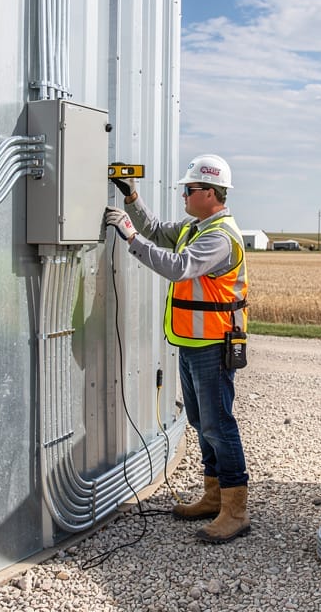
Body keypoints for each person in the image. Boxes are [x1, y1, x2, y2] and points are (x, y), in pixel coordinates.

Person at [102, 154, 252, 544]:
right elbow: (158, 230)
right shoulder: (197, 227)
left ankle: (235, 511)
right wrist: (132, 198)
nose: (183, 193)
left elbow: (178, 266)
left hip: (213, 345)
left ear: (211, 193)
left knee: (219, 424)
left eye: (189, 189)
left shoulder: (219, 236)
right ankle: (213, 496)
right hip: (191, 342)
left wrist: (130, 238)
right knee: (202, 423)